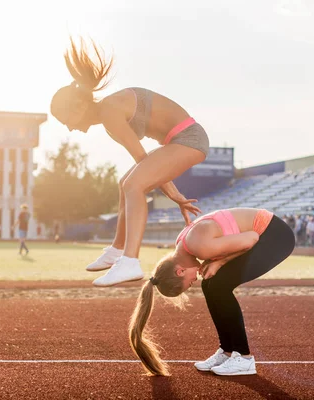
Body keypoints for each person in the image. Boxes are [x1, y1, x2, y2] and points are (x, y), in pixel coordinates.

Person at [50, 37, 208, 287]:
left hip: (189, 138)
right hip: (178, 141)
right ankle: (117, 250)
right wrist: (174, 194)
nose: (69, 128)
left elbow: (142, 159)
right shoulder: (108, 121)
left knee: (133, 185)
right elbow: (146, 165)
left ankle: (130, 261)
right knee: (126, 182)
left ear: (79, 107)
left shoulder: (109, 112)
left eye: (66, 120)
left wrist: (174, 194)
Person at [128, 208, 295, 376]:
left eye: (189, 283)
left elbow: (251, 238)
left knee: (219, 285)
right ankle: (227, 351)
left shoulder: (200, 247)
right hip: (265, 235)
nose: (193, 281)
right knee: (210, 284)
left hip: (275, 237)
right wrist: (215, 262)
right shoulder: (183, 245)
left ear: (180, 272)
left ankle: (244, 358)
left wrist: (220, 262)